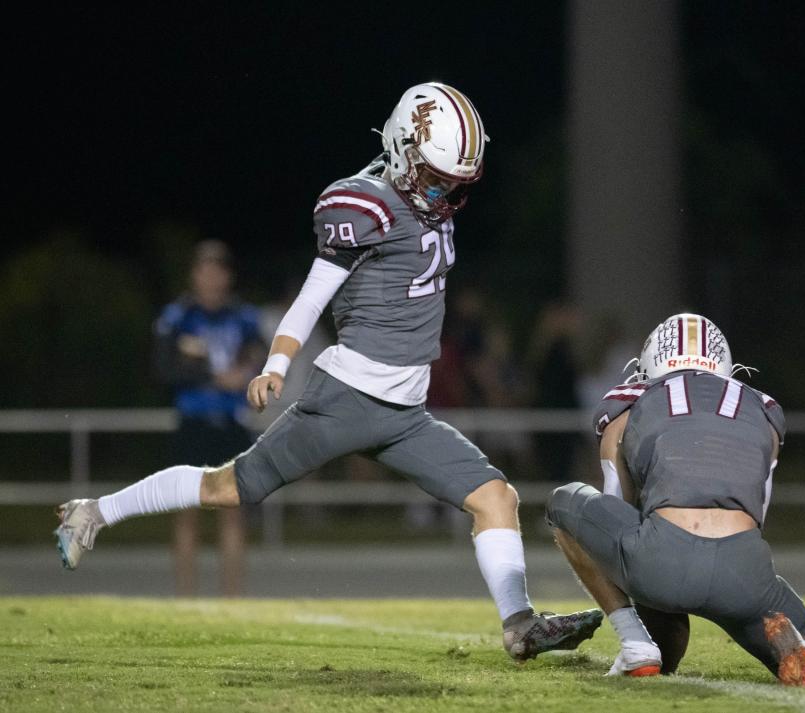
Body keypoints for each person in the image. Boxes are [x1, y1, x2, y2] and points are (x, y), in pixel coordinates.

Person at [54, 82, 601, 660]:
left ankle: (519, 625)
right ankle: (94, 510)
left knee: (497, 497)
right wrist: (277, 363)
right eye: (437, 177)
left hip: (406, 414)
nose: (446, 192)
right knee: (228, 487)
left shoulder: (423, 201)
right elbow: (313, 298)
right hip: (348, 399)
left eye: (456, 182)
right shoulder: (363, 205)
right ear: (403, 149)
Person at [545, 313, 805, 684]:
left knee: (564, 501)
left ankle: (636, 642)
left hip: (662, 558)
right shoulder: (763, 410)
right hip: (744, 568)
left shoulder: (628, 401)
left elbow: (615, 506)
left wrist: (648, 597)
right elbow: (757, 511)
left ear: (651, 362)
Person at [152, 240, 266, 596]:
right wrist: (211, 377)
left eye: (218, 270)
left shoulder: (244, 316)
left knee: (232, 512)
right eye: (205, 270)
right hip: (194, 421)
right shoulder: (177, 316)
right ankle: (186, 598)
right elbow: (161, 368)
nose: (212, 278)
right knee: (186, 511)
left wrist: (246, 371)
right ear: (194, 275)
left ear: (228, 276)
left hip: (232, 422)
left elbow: (263, 355)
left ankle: (231, 600)